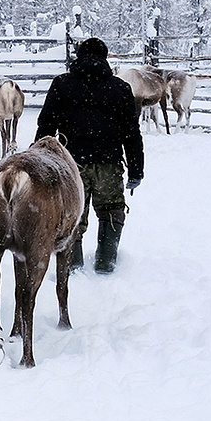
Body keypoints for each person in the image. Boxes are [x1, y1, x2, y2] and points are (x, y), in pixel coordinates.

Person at [33, 37, 144, 274]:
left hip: (71, 166)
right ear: (105, 58)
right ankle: (106, 264)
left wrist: (38, 162)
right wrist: (136, 170)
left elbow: (46, 125)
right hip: (109, 164)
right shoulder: (121, 89)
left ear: (79, 56)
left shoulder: (62, 84)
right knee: (112, 211)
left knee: (73, 214)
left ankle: (72, 268)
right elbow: (132, 133)